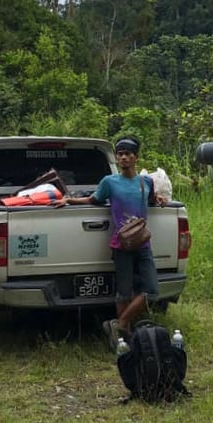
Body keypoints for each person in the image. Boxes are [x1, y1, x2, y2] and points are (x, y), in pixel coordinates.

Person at [57, 136, 168, 349]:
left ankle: (119, 323)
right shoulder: (109, 182)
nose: (124, 158)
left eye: (128, 154)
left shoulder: (146, 182)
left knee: (152, 291)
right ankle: (122, 338)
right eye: (120, 154)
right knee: (123, 292)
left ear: (136, 157)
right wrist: (69, 200)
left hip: (143, 244)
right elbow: (93, 200)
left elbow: (152, 199)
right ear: (117, 158)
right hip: (122, 244)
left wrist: (161, 200)